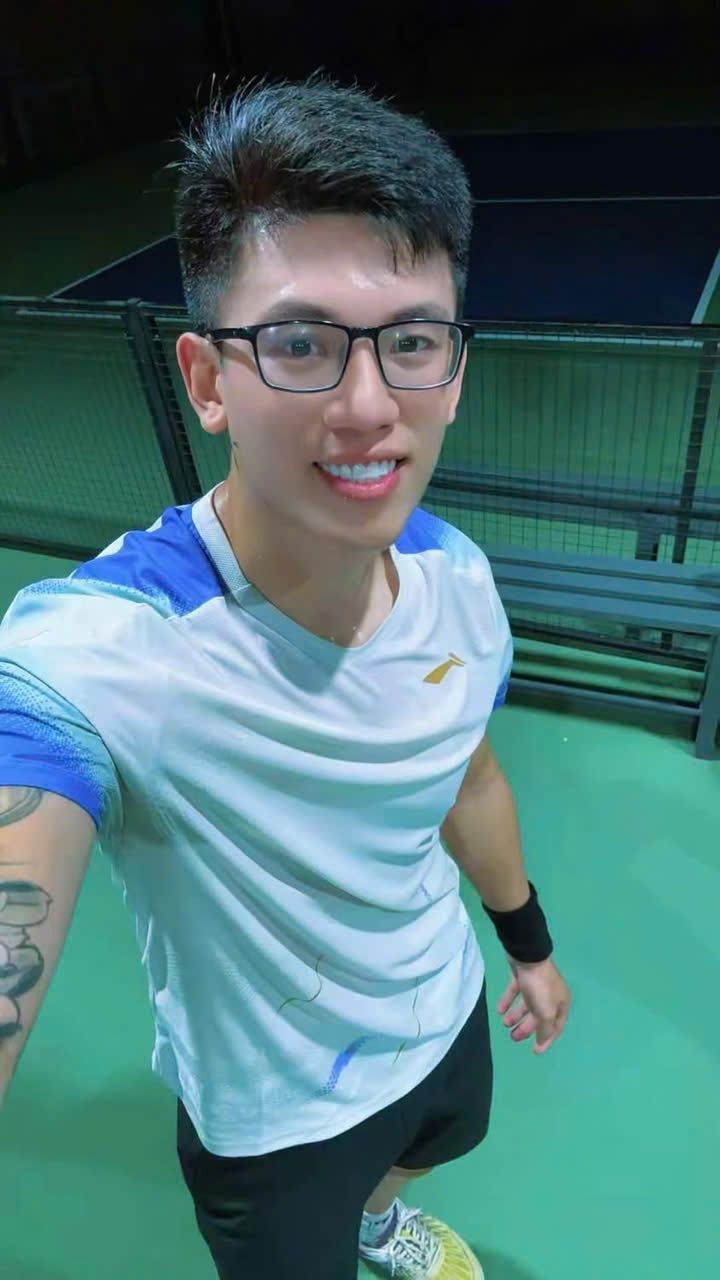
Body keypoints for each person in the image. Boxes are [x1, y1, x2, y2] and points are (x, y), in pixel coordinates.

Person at [0, 72, 571, 1279]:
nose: (368, 406)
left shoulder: (461, 581)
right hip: (276, 1117)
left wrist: (527, 944)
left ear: (454, 369)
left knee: (448, 1134)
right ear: (209, 379)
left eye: (411, 342)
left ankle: (378, 1217)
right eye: (301, 342)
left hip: (440, 1005)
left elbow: (468, 778)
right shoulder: (101, 650)